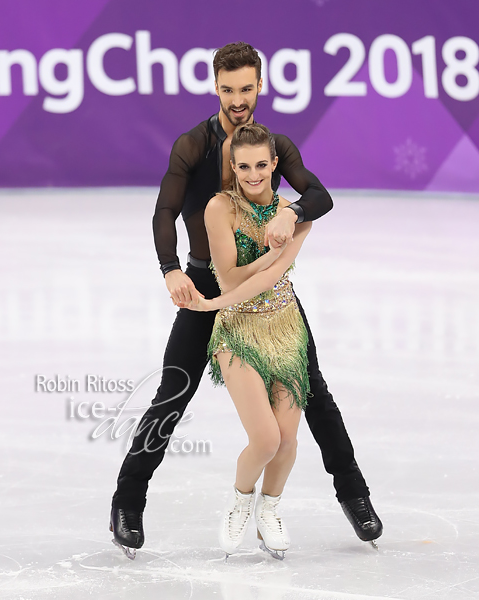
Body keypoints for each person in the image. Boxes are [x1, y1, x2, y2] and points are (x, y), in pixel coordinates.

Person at [109, 42, 382, 559]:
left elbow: (319, 195)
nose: (238, 99)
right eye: (228, 89)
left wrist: (292, 210)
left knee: (315, 394)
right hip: (206, 283)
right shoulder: (192, 145)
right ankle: (127, 502)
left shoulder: (270, 145)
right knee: (174, 391)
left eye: (246, 88)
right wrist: (170, 270)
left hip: (269, 294)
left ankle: (355, 494)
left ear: (260, 86)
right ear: (216, 87)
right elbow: (164, 210)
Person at [175, 123, 312, 558]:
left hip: (286, 329)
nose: (253, 175)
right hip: (236, 329)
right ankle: (241, 498)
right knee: (266, 439)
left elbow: (273, 276)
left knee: (288, 440)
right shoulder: (219, 208)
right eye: (243, 166)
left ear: (274, 164)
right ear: (232, 168)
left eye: (261, 165)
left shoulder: (295, 212)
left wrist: (274, 255)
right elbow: (230, 277)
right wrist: (220, 302)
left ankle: (269, 510)